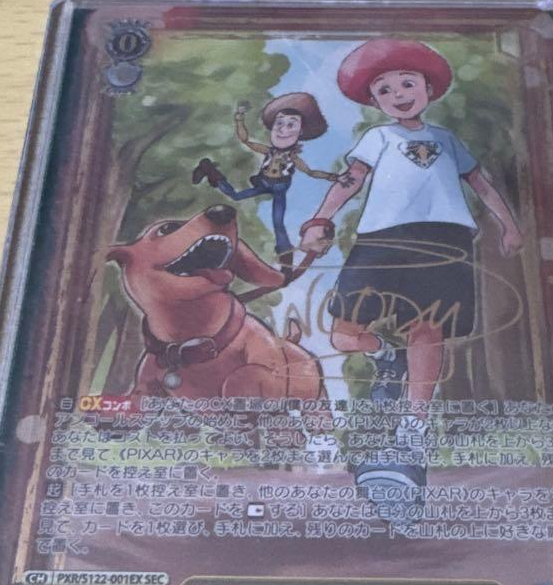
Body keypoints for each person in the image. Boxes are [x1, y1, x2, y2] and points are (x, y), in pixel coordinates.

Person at [298, 38, 524, 503]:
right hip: (381, 238)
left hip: (444, 236)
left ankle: (414, 426)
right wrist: (320, 219)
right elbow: (351, 181)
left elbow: (480, 183)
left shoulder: (447, 140)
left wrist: (508, 224)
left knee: (428, 328)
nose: (398, 94)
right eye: (384, 89)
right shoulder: (377, 138)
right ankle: (386, 353)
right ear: (374, 101)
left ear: (428, 88)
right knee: (344, 334)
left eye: (407, 83)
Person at [192, 92, 341, 276]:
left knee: (278, 223)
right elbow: (246, 140)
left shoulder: (292, 157)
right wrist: (239, 118)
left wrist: (332, 177)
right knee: (236, 196)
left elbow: (310, 172)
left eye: (291, 125)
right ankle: (211, 172)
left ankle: (285, 261)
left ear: (300, 132)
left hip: (279, 189)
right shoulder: (269, 151)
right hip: (264, 183)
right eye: (279, 124)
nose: (283, 130)